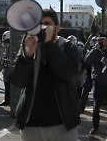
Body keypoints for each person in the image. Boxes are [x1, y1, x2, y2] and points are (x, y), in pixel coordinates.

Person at [10, 8, 81, 141]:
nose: (42, 28)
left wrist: (48, 44)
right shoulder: (28, 47)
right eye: (39, 24)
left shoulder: (67, 47)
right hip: (31, 125)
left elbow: (68, 72)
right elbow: (17, 81)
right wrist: (27, 57)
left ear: (57, 28)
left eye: (47, 24)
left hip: (62, 124)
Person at [0, 31, 11, 106]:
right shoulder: (5, 46)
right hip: (6, 68)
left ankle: (8, 100)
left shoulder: (11, 46)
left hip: (10, 68)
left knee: (9, 86)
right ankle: (7, 100)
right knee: (7, 85)